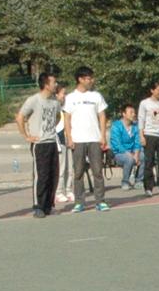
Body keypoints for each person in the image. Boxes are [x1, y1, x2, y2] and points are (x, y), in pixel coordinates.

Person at [62, 66, 111, 212]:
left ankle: (100, 201)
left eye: (91, 78)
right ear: (80, 79)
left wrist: (103, 136)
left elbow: (102, 116)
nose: (91, 81)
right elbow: (67, 119)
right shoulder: (70, 98)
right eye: (89, 78)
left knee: (97, 171)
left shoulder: (96, 96)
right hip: (78, 140)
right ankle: (79, 202)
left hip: (94, 138)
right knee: (78, 172)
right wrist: (69, 138)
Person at [16, 72, 64, 218]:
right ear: (46, 85)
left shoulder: (55, 101)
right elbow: (20, 117)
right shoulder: (34, 100)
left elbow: (58, 116)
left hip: (52, 142)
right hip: (40, 144)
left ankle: (49, 205)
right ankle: (38, 206)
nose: (56, 85)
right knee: (41, 175)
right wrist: (26, 135)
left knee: (53, 175)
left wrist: (51, 129)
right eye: (54, 82)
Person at [138, 82, 159, 195]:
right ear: (152, 90)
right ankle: (148, 188)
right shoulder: (144, 103)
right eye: (158, 90)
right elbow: (141, 119)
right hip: (149, 135)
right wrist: (141, 135)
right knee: (149, 162)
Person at [110, 104, 143, 189]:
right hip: (119, 153)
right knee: (129, 158)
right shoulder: (116, 126)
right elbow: (117, 144)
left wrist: (136, 154)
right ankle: (125, 182)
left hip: (133, 152)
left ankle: (139, 180)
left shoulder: (135, 126)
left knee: (144, 156)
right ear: (124, 114)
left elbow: (137, 141)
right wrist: (130, 154)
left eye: (134, 112)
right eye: (131, 112)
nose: (133, 114)